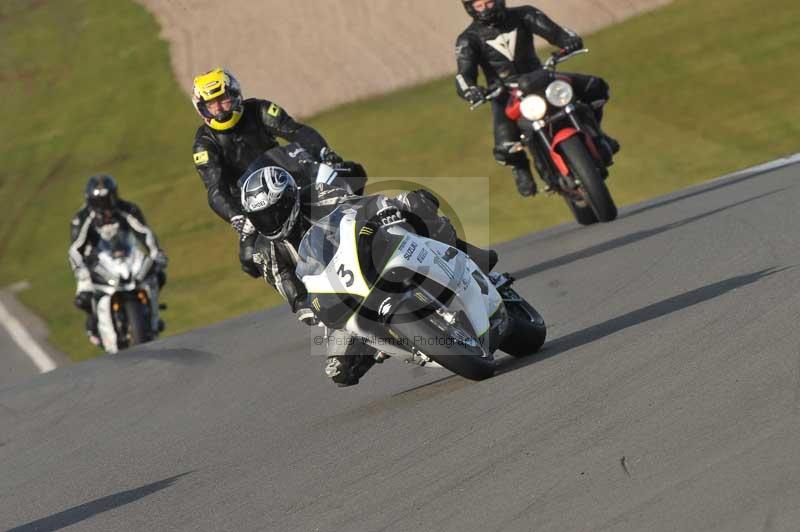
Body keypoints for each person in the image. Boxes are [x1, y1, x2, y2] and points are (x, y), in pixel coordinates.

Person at [240, 144, 498, 386]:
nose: (270, 220)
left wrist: (384, 210)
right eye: (261, 217)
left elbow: (357, 205)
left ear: (288, 199)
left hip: (369, 247)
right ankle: (390, 342)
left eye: (275, 210)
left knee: (412, 202)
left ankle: (469, 256)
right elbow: (293, 293)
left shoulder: (315, 195)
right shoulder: (266, 251)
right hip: (342, 291)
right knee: (341, 371)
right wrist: (311, 312)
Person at [190, 68, 365, 278]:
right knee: (250, 258)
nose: (219, 108)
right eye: (211, 104)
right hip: (254, 205)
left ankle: (370, 233)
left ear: (234, 95)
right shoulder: (204, 144)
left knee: (352, 173)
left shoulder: (258, 109)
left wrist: (324, 153)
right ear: (202, 109)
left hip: (289, 180)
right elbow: (215, 189)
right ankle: (301, 299)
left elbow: (296, 131)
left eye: (223, 99)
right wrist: (236, 217)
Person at [455, 0, 620, 196]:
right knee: (505, 147)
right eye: (479, 6)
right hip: (504, 93)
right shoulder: (468, 39)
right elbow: (463, 74)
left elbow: (556, 32)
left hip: (542, 78)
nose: (486, 8)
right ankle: (521, 168)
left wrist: (568, 40)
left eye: (489, 2)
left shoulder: (525, 14)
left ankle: (597, 134)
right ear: (470, 9)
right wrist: (470, 90)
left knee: (596, 87)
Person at [69, 175, 167, 351]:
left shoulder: (128, 209)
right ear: (91, 201)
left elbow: (145, 233)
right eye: (101, 202)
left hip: (125, 255)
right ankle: (93, 325)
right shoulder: (82, 218)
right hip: (96, 261)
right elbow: (75, 249)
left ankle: (153, 317)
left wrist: (156, 253)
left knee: (158, 275)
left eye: (109, 199)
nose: (106, 206)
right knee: (83, 297)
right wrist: (80, 269)